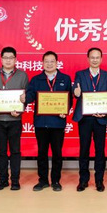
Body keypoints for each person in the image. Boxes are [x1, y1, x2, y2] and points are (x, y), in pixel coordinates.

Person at [25, 51, 72, 192]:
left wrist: (65, 110)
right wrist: (24, 98)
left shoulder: (65, 79)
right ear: (42, 63)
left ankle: (56, 181)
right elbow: (30, 96)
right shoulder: (36, 79)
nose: (49, 64)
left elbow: (69, 99)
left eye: (52, 61)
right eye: (46, 61)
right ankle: (43, 180)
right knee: (42, 153)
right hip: (41, 122)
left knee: (57, 153)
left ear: (57, 63)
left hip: (58, 123)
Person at [0, 46, 28, 191]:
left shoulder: (22, 75)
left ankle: (15, 180)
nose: (8, 60)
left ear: (15, 59)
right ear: (1, 59)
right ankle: (2, 179)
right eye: (5, 58)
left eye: (11, 58)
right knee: (1, 151)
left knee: (15, 151)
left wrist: (20, 109)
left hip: (15, 120)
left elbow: (26, 97)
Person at [72, 47, 107, 192]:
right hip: (84, 118)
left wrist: (105, 111)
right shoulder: (80, 74)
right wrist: (76, 93)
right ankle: (83, 180)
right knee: (84, 150)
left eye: (97, 57)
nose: (95, 60)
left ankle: (99, 180)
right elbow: (75, 91)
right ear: (88, 59)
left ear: (101, 59)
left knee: (100, 150)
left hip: (100, 119)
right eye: (92, 57)